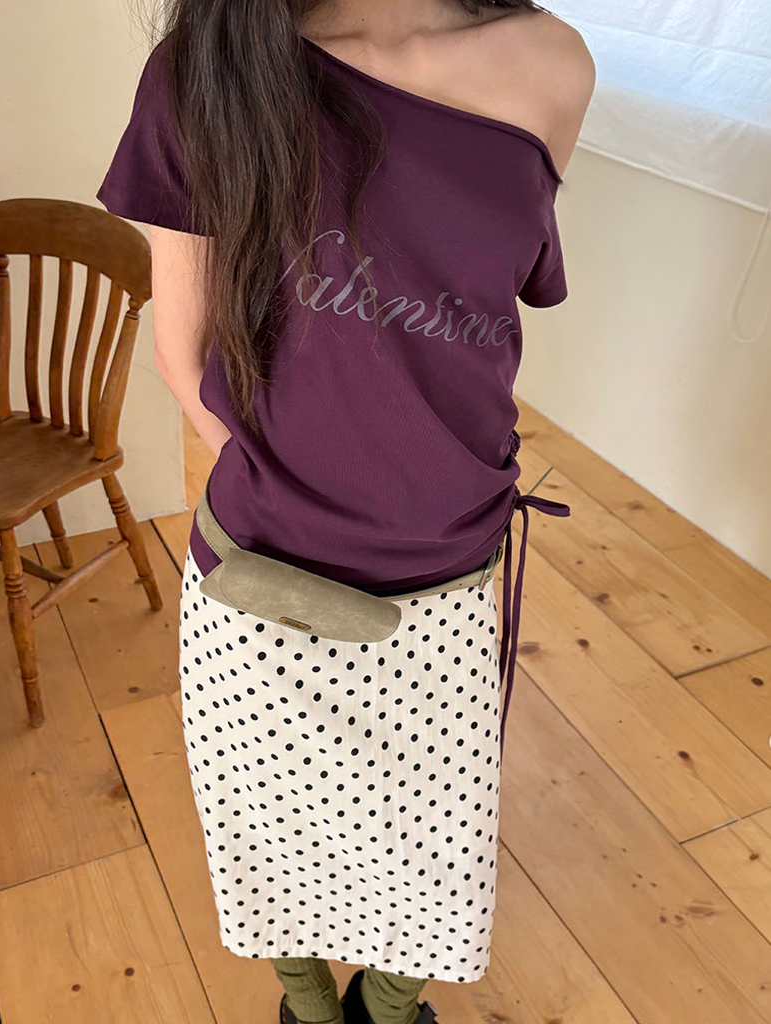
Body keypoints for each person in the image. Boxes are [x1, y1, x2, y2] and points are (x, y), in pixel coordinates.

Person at [95, 2, 595, 1022]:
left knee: (438, 844)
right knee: (264, 830)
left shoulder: (551, 65)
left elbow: (475, 307)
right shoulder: (207, 69)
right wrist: (310, 489)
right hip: (262, 571)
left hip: (450, 570)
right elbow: (183, 355)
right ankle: (308, 1007)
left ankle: (391, 1008)